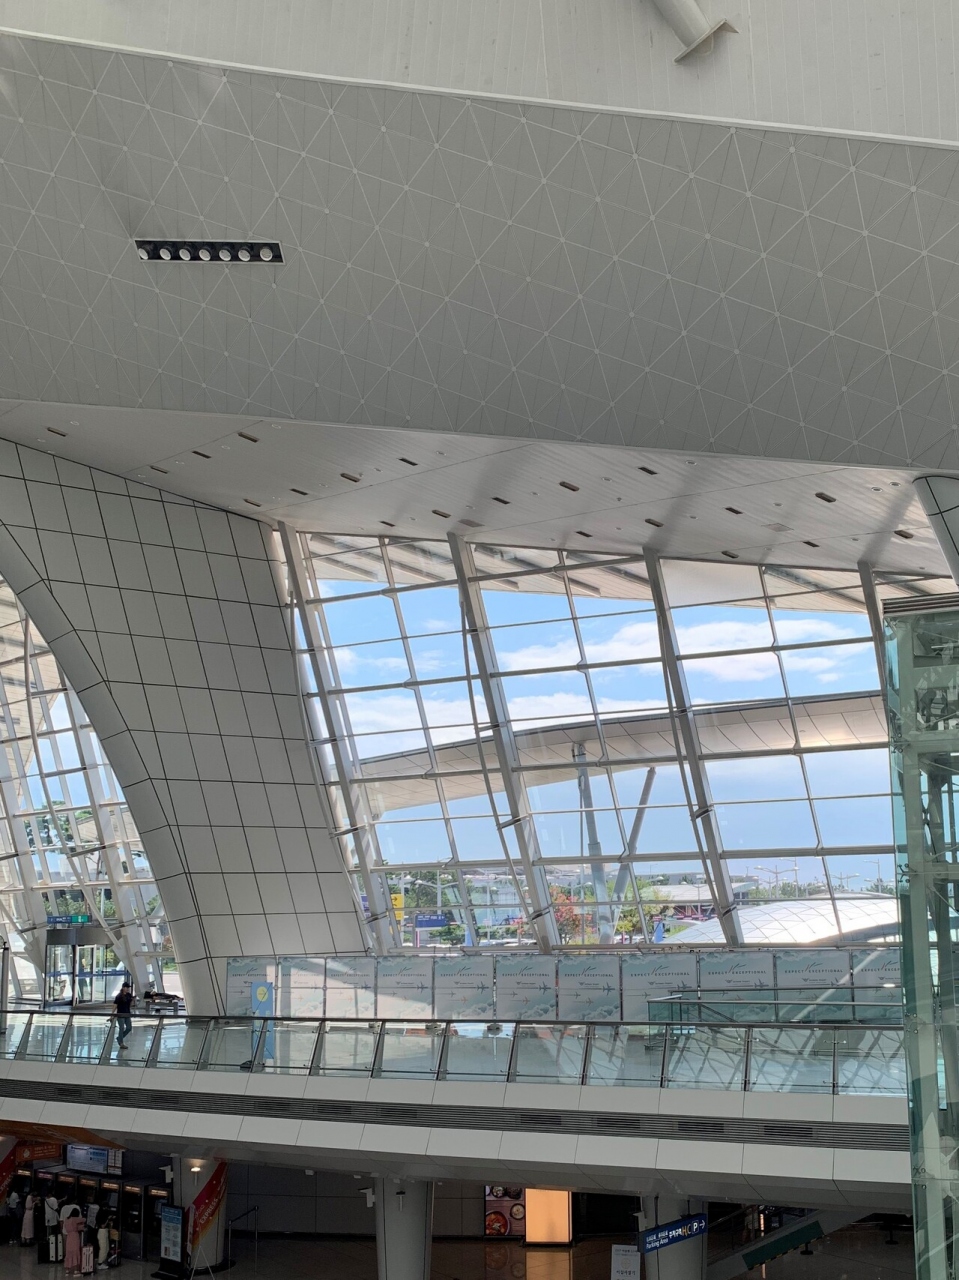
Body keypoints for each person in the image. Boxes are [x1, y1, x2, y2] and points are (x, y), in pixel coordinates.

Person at [63, 1207, 83, 1277]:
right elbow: (83, 1220)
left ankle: (67, 1270)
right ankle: (76, 1271)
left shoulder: (66, 1219)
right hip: (75, 1236)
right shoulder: (74, 1219)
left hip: (69, 1237)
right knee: (75, 1252)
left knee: (68, 1253)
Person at [113, 982, 134, 1049]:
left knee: (129, 1028)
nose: (127, 989)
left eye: (128, 988)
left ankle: (119, 1038)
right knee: (121, 1028)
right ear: (123, 988)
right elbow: (115, 1005)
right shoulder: (119, 996)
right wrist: (112, 1014)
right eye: (126, 987)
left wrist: (132, 1000)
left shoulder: (129, 995)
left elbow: (130, 1005)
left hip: (127, 1013)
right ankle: (121, 1043)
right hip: (120, 1014)